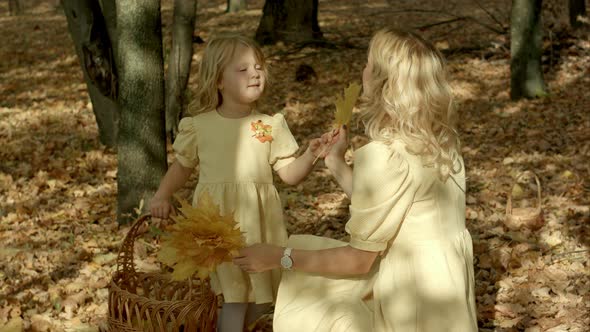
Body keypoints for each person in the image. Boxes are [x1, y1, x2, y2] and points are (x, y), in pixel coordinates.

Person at [234, 28, 478, 332]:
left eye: (367, 63)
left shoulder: (385, 156)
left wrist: (279, 257)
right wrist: (336, 162)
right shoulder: (440, 142)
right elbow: (390, 211)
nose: (362, 70)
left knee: (313, 302)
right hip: (446, 291)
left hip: (410, 300)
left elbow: (358, 261)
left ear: (381, 81)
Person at [149, 33, 323, 332]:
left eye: (258, 67)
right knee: (233, 296)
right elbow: (181, 167)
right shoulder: (200, 126)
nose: (255, 73)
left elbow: (289, 175)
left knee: (262, 297)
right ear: (218, 81)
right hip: (219, 228)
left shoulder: (269, 125)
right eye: (242, 69)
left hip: (260, 224)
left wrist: (311, 154)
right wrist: (162, 195)